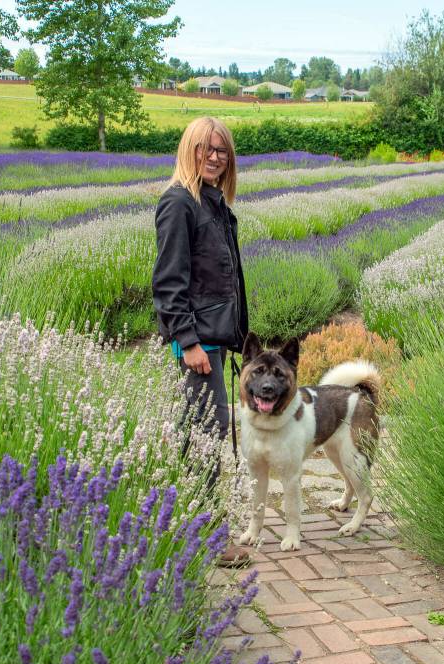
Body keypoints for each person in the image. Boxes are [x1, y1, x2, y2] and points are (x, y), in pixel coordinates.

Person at [153, 116, 250, 567]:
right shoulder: (179, 204)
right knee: (205, 439)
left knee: (197, 434)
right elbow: (170, 282)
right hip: (197, 345)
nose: (214, 157)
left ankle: (182, 524)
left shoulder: (213, 204)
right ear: (189, 150)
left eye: (222, 151)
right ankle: (209, 538)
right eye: (205, 149)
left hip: (212, 338)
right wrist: (188, 342)